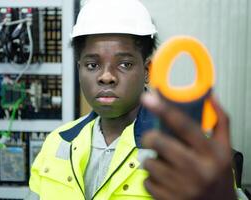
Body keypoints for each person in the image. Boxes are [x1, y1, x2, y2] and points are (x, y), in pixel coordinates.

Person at [29, 0, 236, 199]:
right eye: (92, 65)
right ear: (79, 69)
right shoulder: (58, 142)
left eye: (125, 64)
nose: (106, 76)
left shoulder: (188, 152)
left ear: (147, 71)